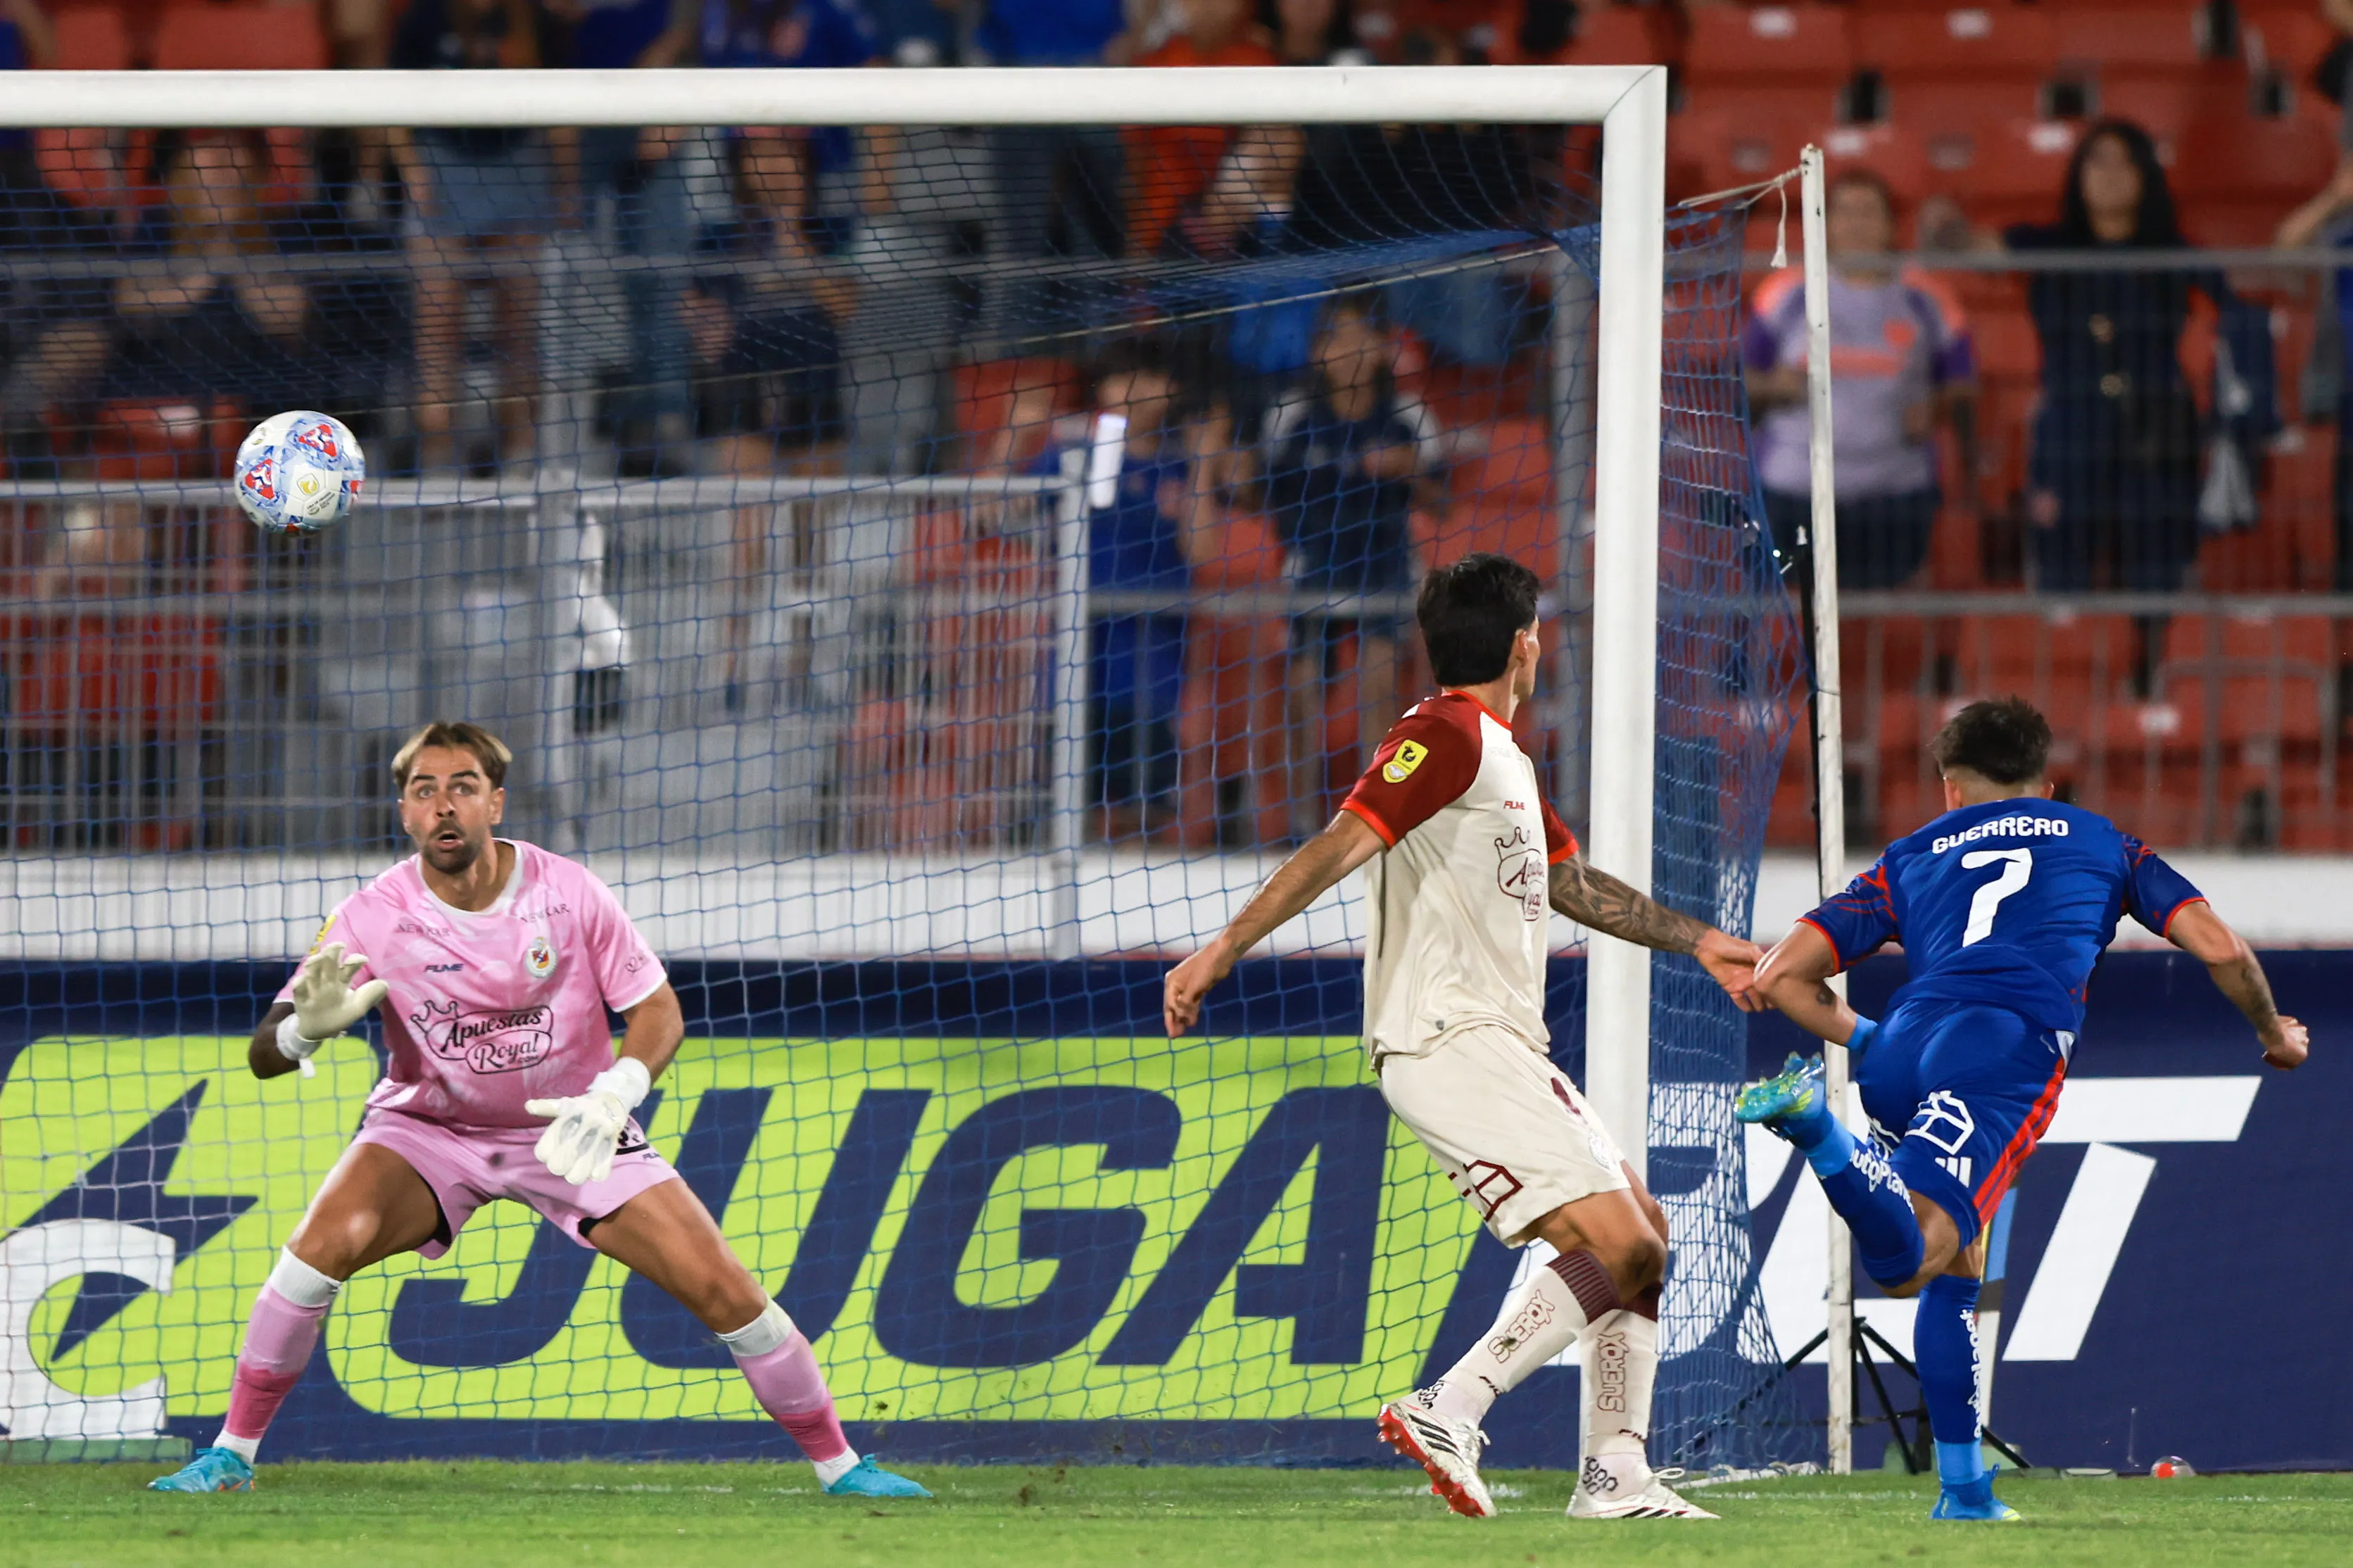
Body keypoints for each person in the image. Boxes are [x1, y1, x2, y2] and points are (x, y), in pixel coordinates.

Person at [148, 722, 929, 1500]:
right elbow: (263, 1054)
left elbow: (658, 1012)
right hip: (429, 1131)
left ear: (496, 802)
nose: (443, 805)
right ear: (405, 813)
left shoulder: (569, 891)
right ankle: (231, 1455)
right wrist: (298, 1029)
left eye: (462, 786)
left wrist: (616, 1090)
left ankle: (841, 1466)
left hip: (574, 1124)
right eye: (425, 790)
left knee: (724, 1289)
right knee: (313, 1254)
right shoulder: (369, 915)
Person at [1163, 552, 1763, 1522]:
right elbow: (1336, 844)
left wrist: (1699, 943)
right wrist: (1219, 950)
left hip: (1495, 1042)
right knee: (1619, 1243)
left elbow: (1572, 886)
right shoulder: (1441, 734)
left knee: (1641, 1237)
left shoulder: (1499, 759)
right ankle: (1452, 1403)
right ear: (1526, 646)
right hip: (1447, 1035)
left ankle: (1613, 1473)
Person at [1739, 696, 2309, 1522]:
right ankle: (1821, 1136)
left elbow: (1776, 975)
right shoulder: (2102, 840)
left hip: (1902, 1044)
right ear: (2047, 783)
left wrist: (1867, 1038)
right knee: (1911, 1261)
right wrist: (2273, 1030)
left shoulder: (1908, 855)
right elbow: (2220, 946)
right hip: (2000, 1045)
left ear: (1950, 790)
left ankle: (1964, 1490)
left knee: (1958, 1267)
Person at [2004, 121, 2221, 602]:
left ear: (2145, 174)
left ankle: (2153, 670)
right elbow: (1965, 247)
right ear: (2077, 174)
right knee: (2062, 571)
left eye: (2124, 161)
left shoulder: (2171, 250)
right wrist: (1944, 224)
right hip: (2069, 427)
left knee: (2160, 571)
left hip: (2156, 429)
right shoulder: (2047, 245)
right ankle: (2067, 669)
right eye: (2096, 160)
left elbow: (2245, 298)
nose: (2109, 174)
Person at [1746, 168, 1975, 591]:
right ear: (1825, 224)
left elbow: (1961, 384)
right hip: (1793, 488)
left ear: (1891, 224)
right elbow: (1741, 381)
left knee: (1881, 621)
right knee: (1794, 610)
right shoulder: (1785, 292)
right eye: (1844, 212)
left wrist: (1936, 408)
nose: (1856, 223)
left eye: (1869, 211)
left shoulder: (1927, 297)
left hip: (1895, 493)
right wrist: (1771, 388)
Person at [1263, 295, 1438, 832]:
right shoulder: (1291, 415)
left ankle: (1376, 818)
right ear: (1318, 351)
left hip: (1384, 569)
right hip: (1312, 568)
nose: (1350, 352)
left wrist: (1405, 470)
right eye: (1337, 339)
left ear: (1385, 348)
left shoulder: (1408, 416)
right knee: (1301, 689)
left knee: (1379, 687)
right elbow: (1257, 492)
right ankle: (1297, 826)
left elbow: (1442, 501)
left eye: (1363, 337)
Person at [391, 0, 557, 472]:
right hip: (442, 163)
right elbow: (390, 99)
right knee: (438, 330)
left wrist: (563, 184)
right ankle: (440, 454)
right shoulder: (425, 18)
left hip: (518, 164)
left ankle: (521, 455)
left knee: (519, 328)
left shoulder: (533, 18)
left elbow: (563, 103)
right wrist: (413, 170)